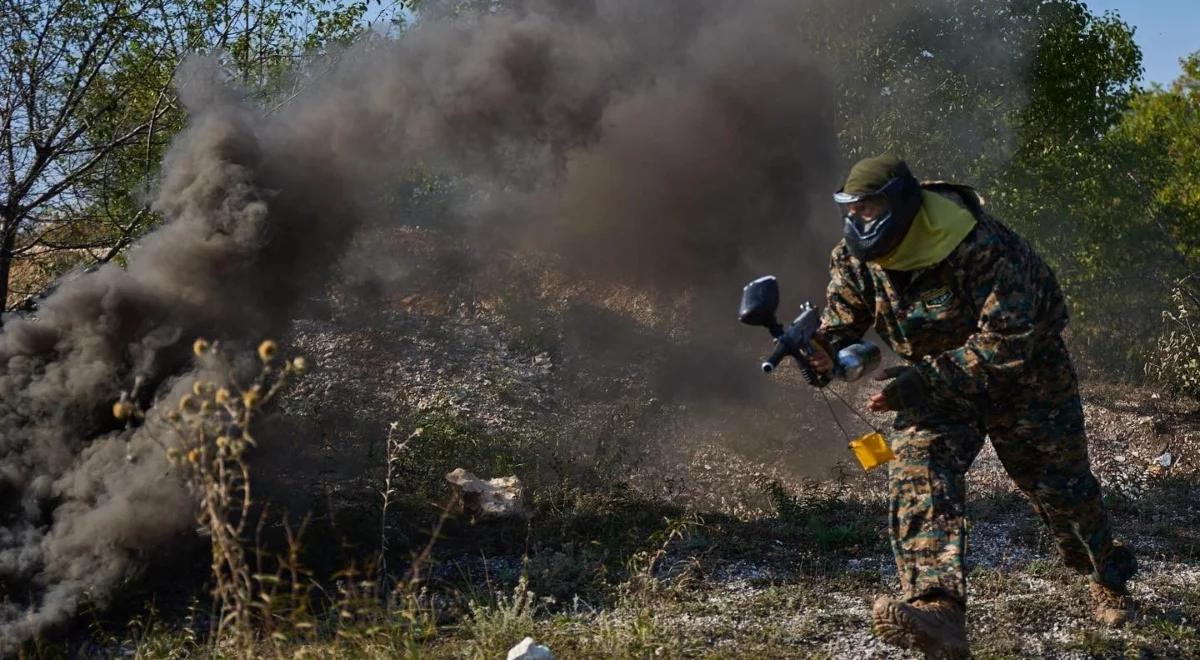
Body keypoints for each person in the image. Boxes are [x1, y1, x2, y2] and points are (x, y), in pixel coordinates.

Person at [807, 155, 1137, 658]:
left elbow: (1011, 340)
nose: (860, 219)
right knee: (918, 469)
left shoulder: (980, 244)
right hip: (936, 386)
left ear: (900, 203)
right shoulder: (854, 257)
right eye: (852, 209)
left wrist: (920, 382)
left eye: (870, 207)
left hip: (1028, 378)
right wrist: (819, 350)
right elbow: (843, 318)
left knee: (1063, 492)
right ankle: (938, 607)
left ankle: (1106, 577)